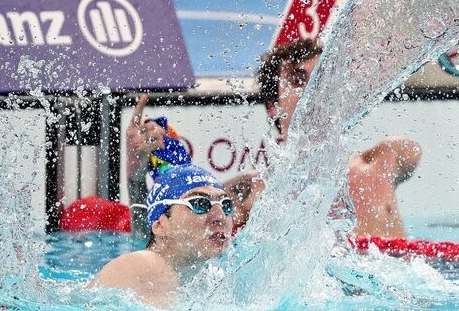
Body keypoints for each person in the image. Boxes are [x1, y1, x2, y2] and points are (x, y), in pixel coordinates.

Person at [228, 39, 422, 238]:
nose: (314, 91)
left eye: (323, 79)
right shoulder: (257, 190)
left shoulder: (377, 168)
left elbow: (410, 151)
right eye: (298, 80)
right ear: (273, 106)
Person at [90, 164, 234, 308]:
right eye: (200, 203)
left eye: (226, 205)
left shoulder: (211, 276)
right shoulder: (145, 266)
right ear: (160, 225)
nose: (220, 216)